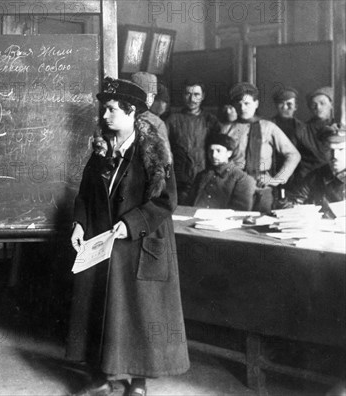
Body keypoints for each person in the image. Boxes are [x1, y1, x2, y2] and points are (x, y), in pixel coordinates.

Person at [68, 77, 189, 396]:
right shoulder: (101, 148)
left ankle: (139, 382)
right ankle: (102, 378)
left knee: (140, 313)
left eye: (110, 110)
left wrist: (132, 222)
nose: (104, 116)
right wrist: (80, 223)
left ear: (131, 111)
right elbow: (84, 193)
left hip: (140, 242)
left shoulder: (153, 150)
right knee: (101, 309)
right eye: (103, 109)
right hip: (102, 242)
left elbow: (167, 200)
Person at [221, 82, 301, 212]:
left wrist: (277, 179)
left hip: (260, 187)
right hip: (233, 185)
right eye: (239, 103)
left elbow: (293, 155)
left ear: (256, 104)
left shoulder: (268, 127)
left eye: (247, 103)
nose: (242, 108)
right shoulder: (227, 128)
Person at [166, 79, 221, 205]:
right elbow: (163, 148)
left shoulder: (211, 121)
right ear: (182, 95)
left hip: (205, 179)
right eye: (188, 94)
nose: (192, 99)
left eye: (196, 94)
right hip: (179, 180)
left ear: (203, 96)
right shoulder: (173, 120)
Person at [288, 125, 345, 218]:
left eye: (341, 150)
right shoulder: (316, 175)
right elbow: (294, 201)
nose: (335, 156)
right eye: (330, 150)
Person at [188, 133, 256, 210]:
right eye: (211, 151)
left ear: (229, 153)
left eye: (218, 151)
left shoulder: (242, 179)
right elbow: (189, 204)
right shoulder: (202, 175)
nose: (213, 155)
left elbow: (239, 212)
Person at [130, 72, 172, 159]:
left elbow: (166, 158)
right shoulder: (121, 116)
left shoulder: (156, 123)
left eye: (153, 95)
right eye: (145, 94)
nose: (149, 100)